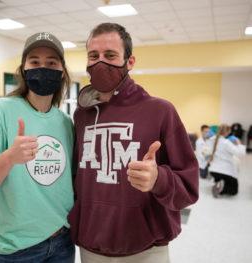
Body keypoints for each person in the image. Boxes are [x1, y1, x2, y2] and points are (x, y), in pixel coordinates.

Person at [68, 23, 199, 263]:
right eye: (93, 56)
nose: (100, 63)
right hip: (90, 247)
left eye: (110, 55)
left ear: (130, 62)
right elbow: (77, 177)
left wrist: (158, 179)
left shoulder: (161, 111)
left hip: (146, 250)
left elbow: (189, 189)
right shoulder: (82, 116)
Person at [0, 32, 75, 263]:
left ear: (62, 71)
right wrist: (9, 158)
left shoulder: (65, 122)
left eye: (51, 62)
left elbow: (69, 182)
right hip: (16, 250)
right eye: (34, 61)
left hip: (62, 241)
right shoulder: (0, 111)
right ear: (23, 69)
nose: (43, 67)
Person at [209, 124, 246, 197]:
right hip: (225, 171)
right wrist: (239, 143)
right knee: (234, 191)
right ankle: (222, 189)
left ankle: (219, 183)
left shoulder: (211, 139)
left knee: (227, 181)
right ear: (227, 132)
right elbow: (240, 154)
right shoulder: (226, 142)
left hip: (213, 170)